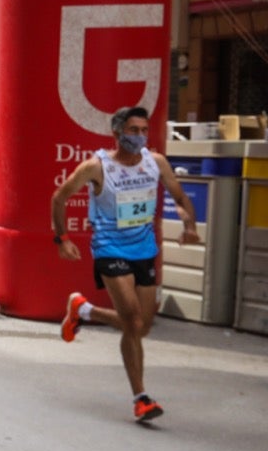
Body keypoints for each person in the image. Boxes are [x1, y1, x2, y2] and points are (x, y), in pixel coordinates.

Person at [52, 106, 200, 423]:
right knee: (132, 321)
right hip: (110, 247)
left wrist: (189, 224)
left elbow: (178, 194)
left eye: (144, 130)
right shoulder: (97, 166)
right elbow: (59, 198)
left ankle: (83, 310)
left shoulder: (155, 162)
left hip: (144, 249)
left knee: (142, 326)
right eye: (133, 130)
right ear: (117, 132)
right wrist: (62, 238)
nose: (140, 136)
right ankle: (141, 398)